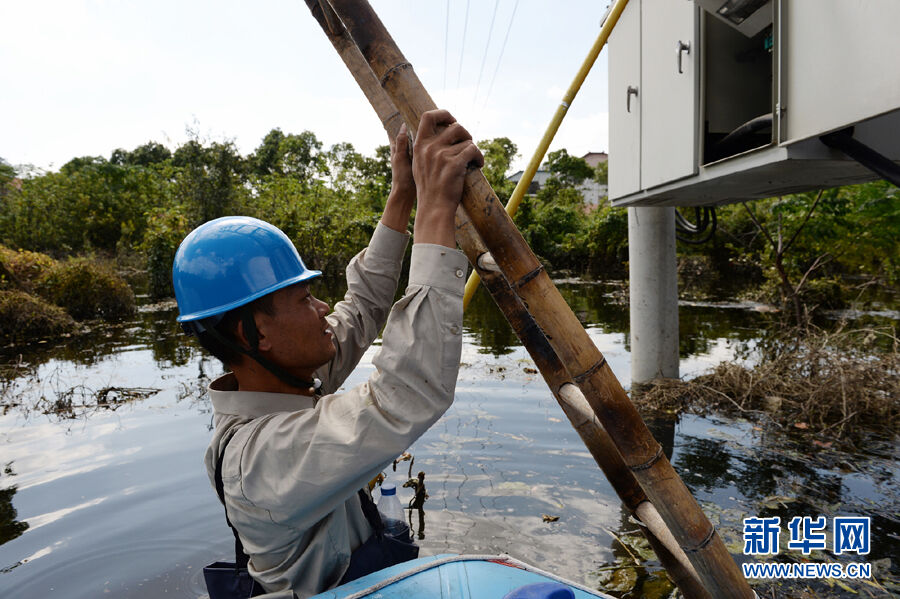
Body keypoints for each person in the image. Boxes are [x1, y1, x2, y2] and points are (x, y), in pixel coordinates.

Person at [172, 110, 483, 598]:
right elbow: (404, 395)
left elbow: (363, 306)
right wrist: (436, 209)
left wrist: (404, 193)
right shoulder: (259, 461)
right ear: (256, 333)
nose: (323, 308)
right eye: (303, 299)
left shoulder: (285, 381)